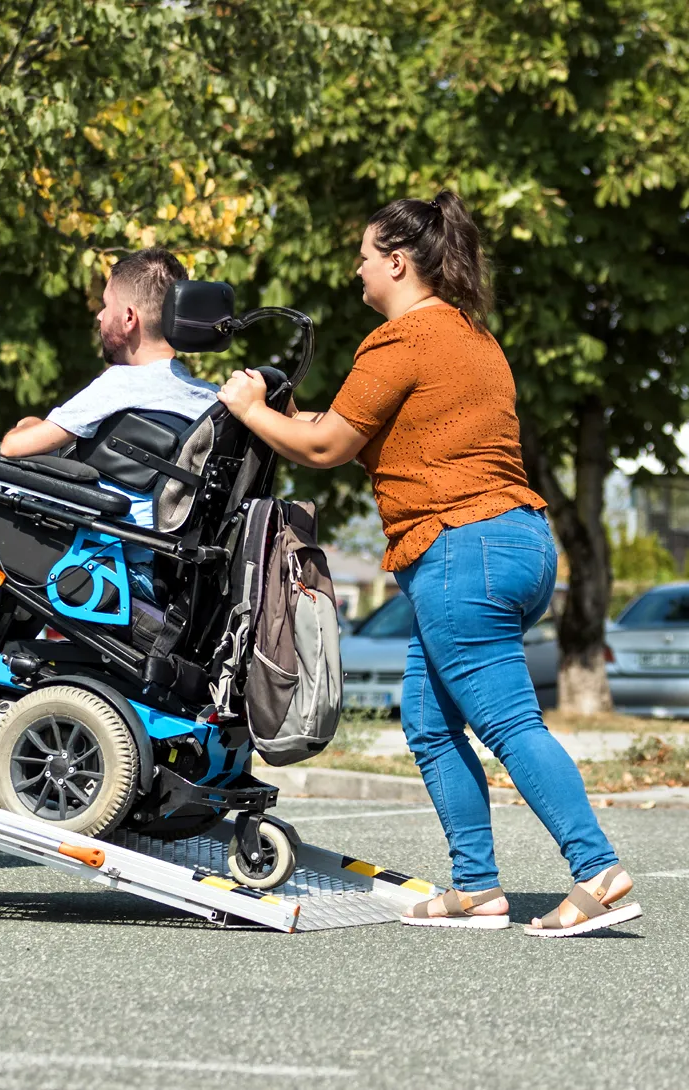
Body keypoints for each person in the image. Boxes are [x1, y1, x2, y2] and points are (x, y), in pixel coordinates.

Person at [216, 190, 640, 938]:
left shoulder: (402, 340)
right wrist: (273, 412)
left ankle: (598, 872)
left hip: (460, 548)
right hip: (515, 542)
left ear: (398, 262)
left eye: (365, 257)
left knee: (508, 723)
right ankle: (475, 888)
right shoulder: (472, 338)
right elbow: (335, 424)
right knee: (430, 721)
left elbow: (323, 448)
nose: (357, 271)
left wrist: (248, 409)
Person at [0, 246, 218, 648]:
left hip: (108, 564)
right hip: (161, 570)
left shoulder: (124, 384)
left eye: (106, 305)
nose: (99, 316)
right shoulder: (207, 399)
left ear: (129, 318)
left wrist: (29, 426)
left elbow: (15, 446)